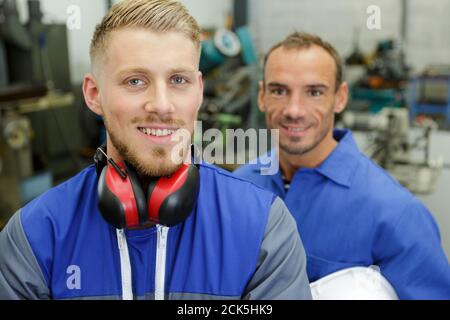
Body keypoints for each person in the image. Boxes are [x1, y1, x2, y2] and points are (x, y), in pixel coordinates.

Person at [0, 0, 312, 300]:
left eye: (178, 80)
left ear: (199, 91)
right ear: (94, 94)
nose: (162, 105)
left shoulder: (263, 228)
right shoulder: (33, 237)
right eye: (135, 81)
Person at [234, 31, 450, 299]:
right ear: (262, 96)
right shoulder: (239, 189)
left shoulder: (394, 212)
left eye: (314, 92)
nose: (294, 110)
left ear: (340, 97)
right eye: (279, 90)